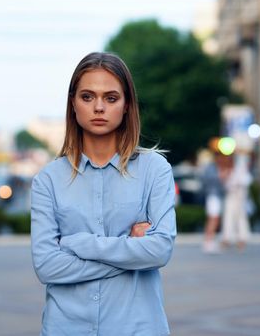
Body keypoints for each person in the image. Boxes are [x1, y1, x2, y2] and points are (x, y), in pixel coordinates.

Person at [31, 52, 176, 335]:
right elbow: (47, 267)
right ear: (73, 103)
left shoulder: (154, 169)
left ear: (126, 106)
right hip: (66, 328)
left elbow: (159, 251)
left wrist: (79, 244)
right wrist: (130, 253)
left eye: (111, 98)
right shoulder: (48, 180)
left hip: (138, 327)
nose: (99, 107)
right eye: (87, 97)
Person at [221, 151, 252, 251]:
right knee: (228, 216)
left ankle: (242, 238)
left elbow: (246, 181)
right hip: (231, 196)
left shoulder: (240, 169)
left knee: (241, 217)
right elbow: (225, 185)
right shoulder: (226, 170)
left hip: (240, 196)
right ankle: (227, 238)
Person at [202, 151, 230, 254]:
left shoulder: (219, 167)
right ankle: (208, 242)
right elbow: (207, 180)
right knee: (213, 219)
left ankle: (210, 241)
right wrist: (221, 176)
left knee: (216, 219)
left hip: (218, 196)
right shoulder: (211, 168)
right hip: (213, 195)